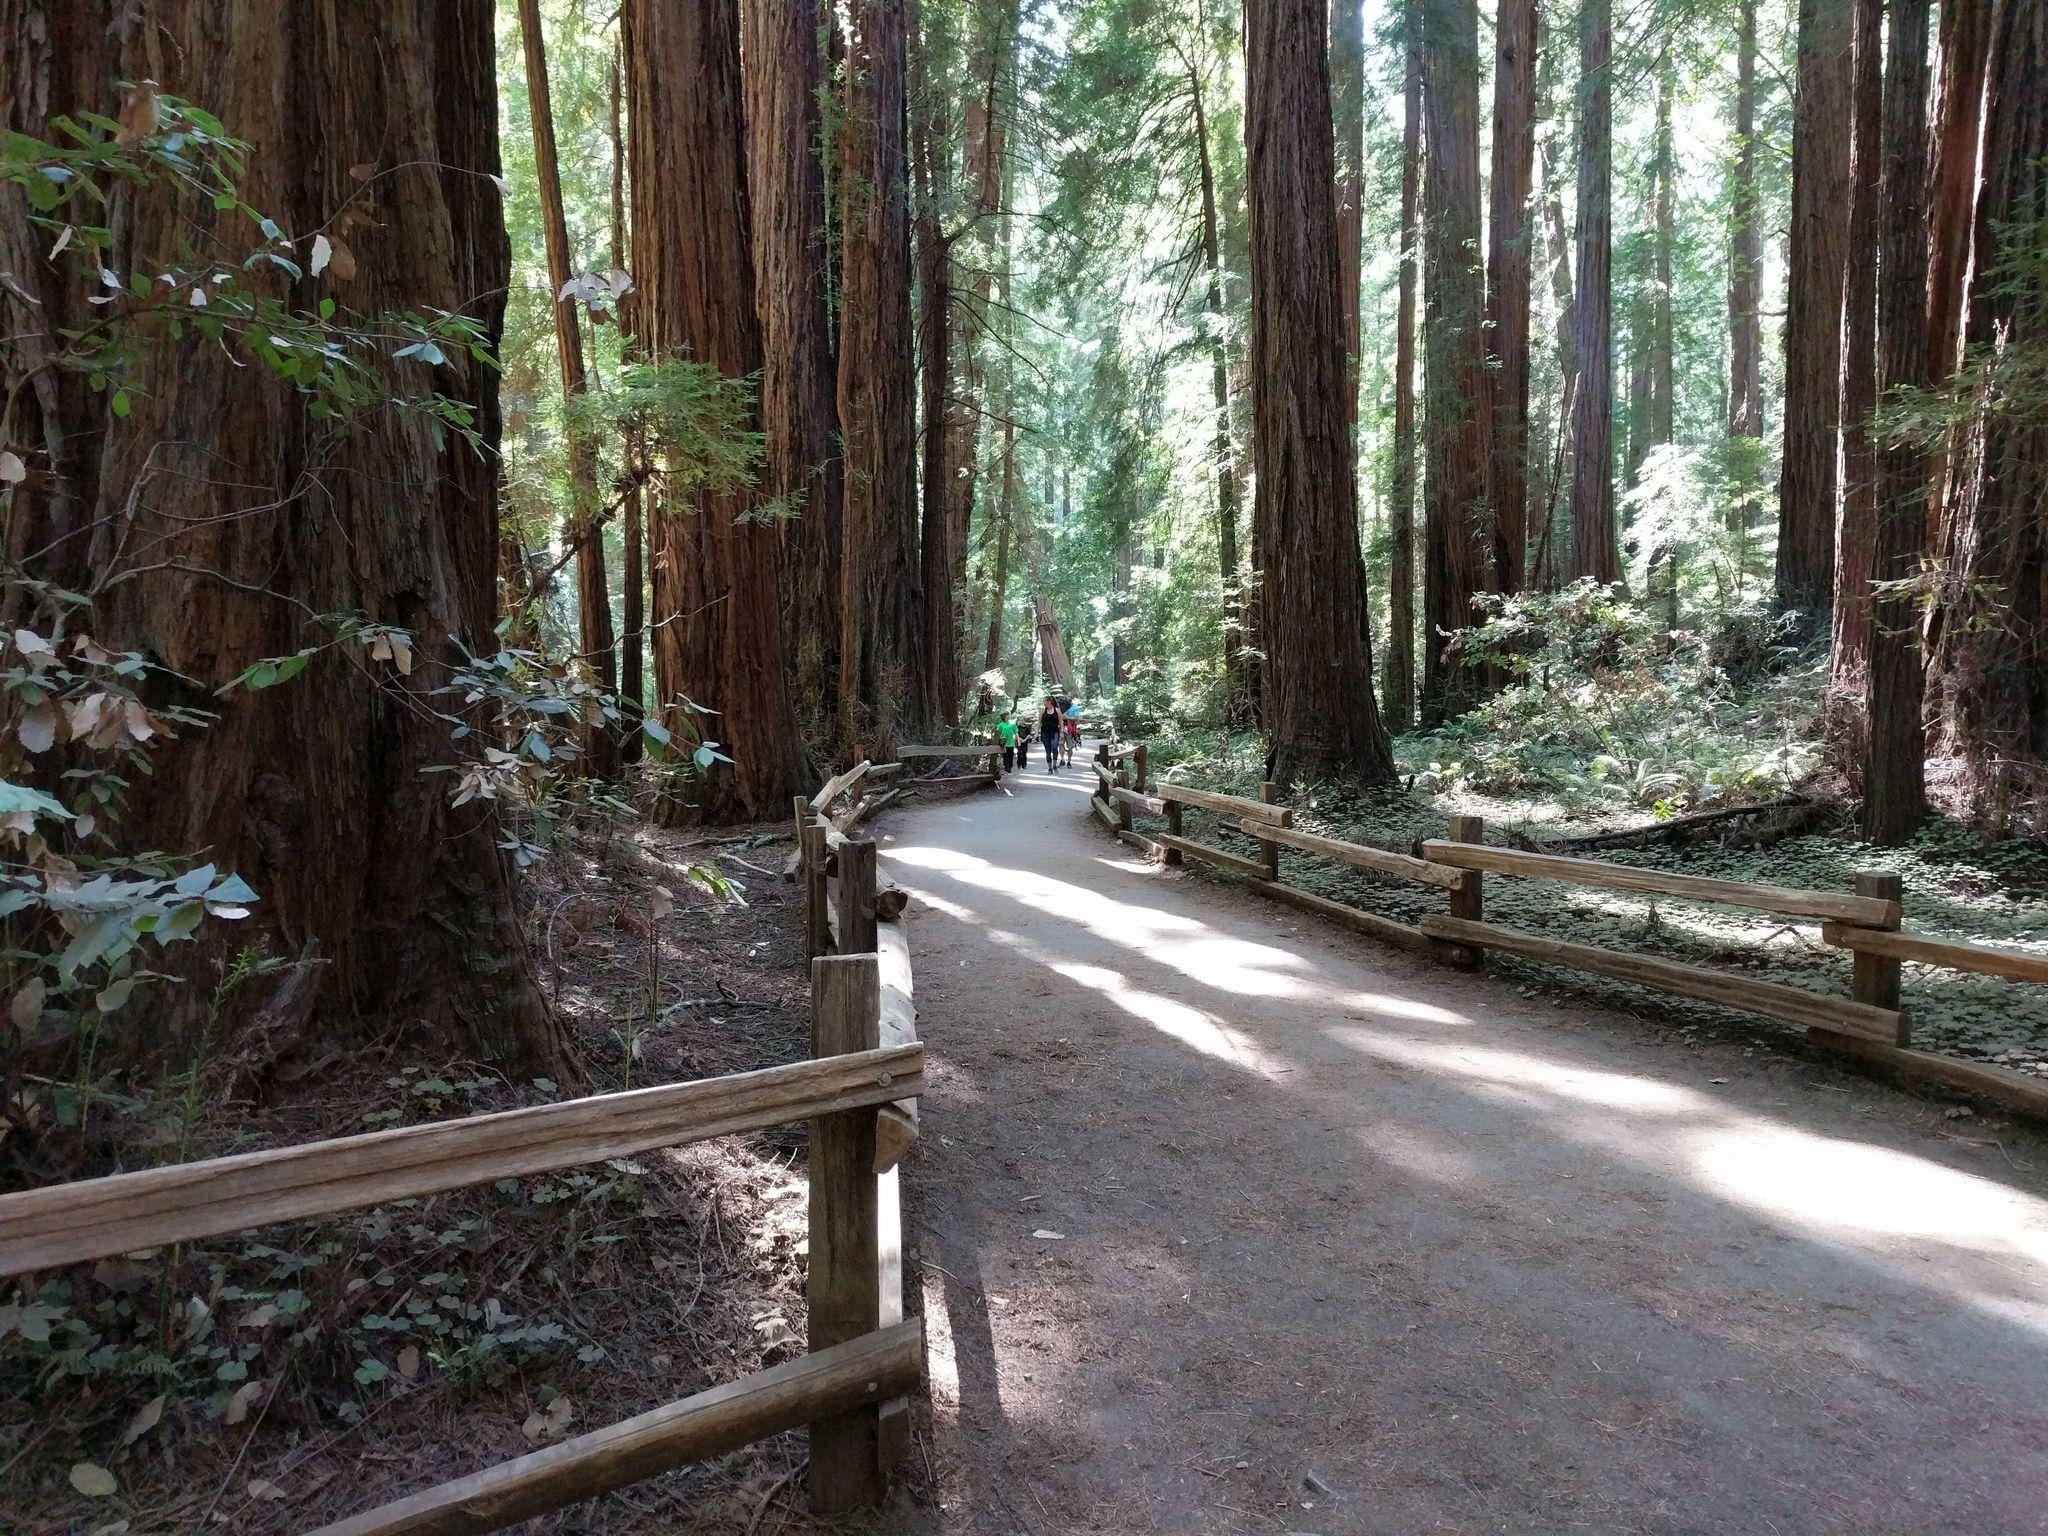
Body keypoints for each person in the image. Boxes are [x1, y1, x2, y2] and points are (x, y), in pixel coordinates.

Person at [1037, 696, 1061, 771]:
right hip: (1045, 733)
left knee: (1054, 747)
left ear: (1050, 702)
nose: (1044, 703)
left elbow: (1061, 722)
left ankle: (1054, 765)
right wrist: (1036, 733)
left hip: (1055, 732)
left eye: (1045, 701)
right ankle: (1050, 768)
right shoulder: (1042, 711)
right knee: (1048, 751)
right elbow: (1039, 722)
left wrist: (1062, 732)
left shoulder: (1057, 710)